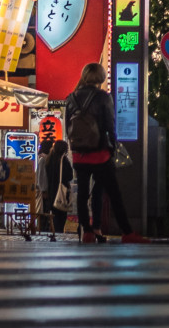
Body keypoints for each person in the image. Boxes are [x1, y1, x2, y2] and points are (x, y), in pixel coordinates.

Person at [65, 62, 133, 241]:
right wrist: (113, 146)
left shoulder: (71, 98)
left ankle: (87, 232)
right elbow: (110, 125)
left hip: (80, 155)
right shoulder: (103, 97)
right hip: (100, 154)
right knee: (111, 192)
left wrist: (75, 150)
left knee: (82, 193)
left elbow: (67, 128)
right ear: (101, 77)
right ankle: (126, 232)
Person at [40, 137, 71, 235]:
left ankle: (54, 232)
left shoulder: (49, 159)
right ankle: (59, 233)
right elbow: (70, 175)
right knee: (61, 215)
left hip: (51, 192)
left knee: (54, 215)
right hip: (61, 192)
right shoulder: (63, 160)